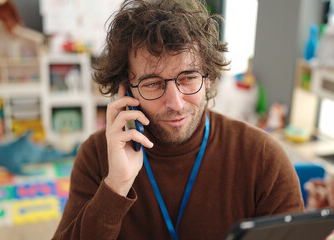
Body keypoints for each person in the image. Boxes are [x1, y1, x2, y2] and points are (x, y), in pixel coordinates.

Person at [53, 0, 304, 239]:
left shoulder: (262, 157)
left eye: (188, 77)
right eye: (152, 83)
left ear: (208, 78)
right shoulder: (97, 156)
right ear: (125, 90)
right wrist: (116, 186)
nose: (176, 103)